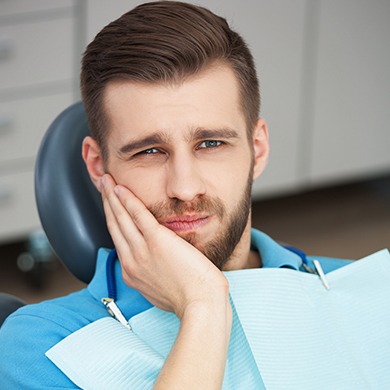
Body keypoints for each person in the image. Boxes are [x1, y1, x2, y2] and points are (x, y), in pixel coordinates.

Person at [0, 2, 350, 388]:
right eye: (149, 151)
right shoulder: (41, 346)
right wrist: (203, 306)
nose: (184, 188)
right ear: (98, 165)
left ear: (258, 149)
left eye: (211, 143)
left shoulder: (359, 291)